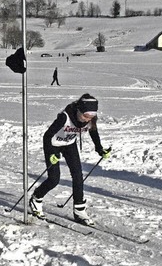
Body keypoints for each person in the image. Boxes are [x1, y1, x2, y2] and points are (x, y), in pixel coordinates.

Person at [29, 94, 111, 226]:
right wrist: (51, 154)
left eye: (90, 117)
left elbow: (93, 132)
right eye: (85, 116)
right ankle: (36, 198)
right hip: (53, 144)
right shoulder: (65, 117)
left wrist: (100, 149)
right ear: (78, 109)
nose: (87, 120)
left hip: (69, 144)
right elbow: (47, 136)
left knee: (78, 176)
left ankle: (79, 210)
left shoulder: (90, 119)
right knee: (54, 179)